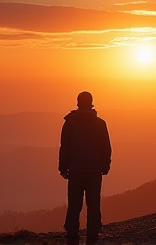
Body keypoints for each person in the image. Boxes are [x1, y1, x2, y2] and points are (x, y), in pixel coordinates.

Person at [58, 91, 112, 244]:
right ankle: (93, 232)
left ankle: (71, 231)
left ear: (78, 103)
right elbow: (106, 147)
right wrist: (105, 165)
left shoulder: (70, 123)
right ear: (91, 102)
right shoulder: (100, 124)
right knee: (93, 203)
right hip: (94, 171)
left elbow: (65, 147)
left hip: (75, 170)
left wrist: (62, 167)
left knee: (74, 203)